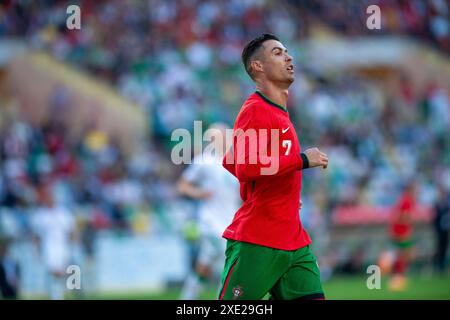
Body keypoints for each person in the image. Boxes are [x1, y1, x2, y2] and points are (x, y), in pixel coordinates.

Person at [219, 34, 329, 300]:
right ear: (258, 67)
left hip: (294, 239)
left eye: (287, 51)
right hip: (260, 239)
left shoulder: (278, 112)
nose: (289, 57)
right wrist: (302, 160)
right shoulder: (256, 109)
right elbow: (245, 166)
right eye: (278, 53)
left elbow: (231, 160)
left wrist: (281, 191)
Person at [177, 123, 241, 300]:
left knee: (203, 267)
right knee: (230, 263)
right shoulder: (204, 161)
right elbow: (182, 185)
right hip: (210, 223)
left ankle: (187, 298)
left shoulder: (237, 161)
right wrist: (199, 193)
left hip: (230, 221)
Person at [31, 186, 76, 300]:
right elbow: (36, 235)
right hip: (48, 247)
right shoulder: (40, 215)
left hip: (62, 247)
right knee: (54, 271)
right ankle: (56, 294)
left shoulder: (64, 213)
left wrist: (72, 247)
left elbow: (71, 231)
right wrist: (36, 249)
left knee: (59, 274)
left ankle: (57, 295)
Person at [388, 181, 416, 291]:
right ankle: (398, 277)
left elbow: (395, 216)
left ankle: (398, 276)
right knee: (405, 254)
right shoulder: (407, 201)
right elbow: (403, 216)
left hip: (397, 230)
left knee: (402, 254)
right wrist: (410, 220)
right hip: (401, 231)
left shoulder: (402, 200)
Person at [432, 185, 449, 274]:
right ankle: (437, 266)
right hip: (439, 230)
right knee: (439, 248)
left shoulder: (446, 205)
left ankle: (442, 266)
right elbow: (435, 218)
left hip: (445, 230)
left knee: (444, 248)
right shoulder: (437, 204)